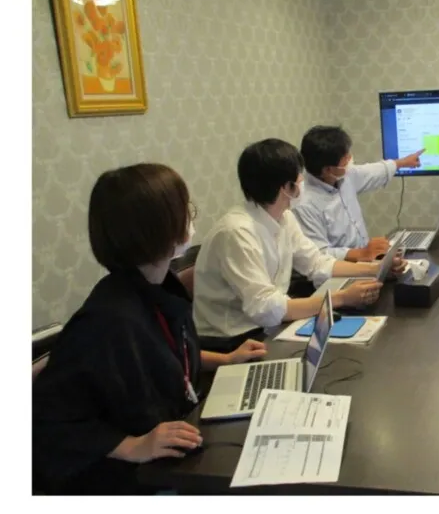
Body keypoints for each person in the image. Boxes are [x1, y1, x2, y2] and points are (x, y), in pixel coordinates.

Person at [32, 164, 267, 495]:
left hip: (175, 438)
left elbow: (163, 355)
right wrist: (132, 445)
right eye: (185, 210)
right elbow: (48, 420)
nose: (191, 218)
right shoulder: (106, 321)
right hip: (122, 477)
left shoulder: (157, 288)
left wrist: (225, 359)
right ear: (158, 227)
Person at [193, 138, 403, 349]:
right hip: (233, 339)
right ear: (285, 187)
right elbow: (265, 308)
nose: (303, 180)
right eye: (299, 176)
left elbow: (317, 263)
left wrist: (377, 269)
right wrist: (341, 298)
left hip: (269, 324)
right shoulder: (237, 233)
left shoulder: (284, 217)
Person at [292, 125, 425, 261]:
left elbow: (373, 171)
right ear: (327, 170)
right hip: (340, 268)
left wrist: (403, 162)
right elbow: (319, 254)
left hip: (366, 259)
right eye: (345, 158)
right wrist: (362, 253)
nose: (350, 159)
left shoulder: (344, 175)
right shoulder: (304, 204)